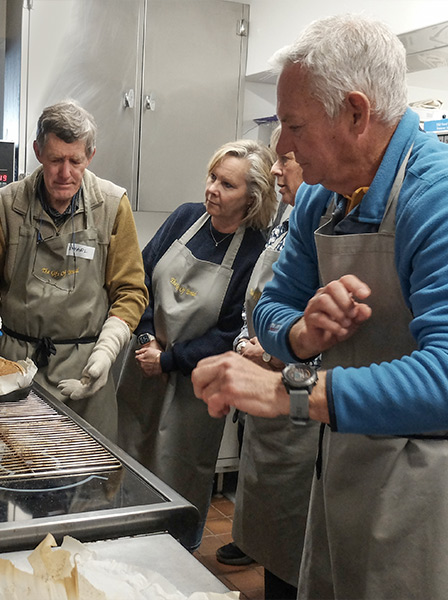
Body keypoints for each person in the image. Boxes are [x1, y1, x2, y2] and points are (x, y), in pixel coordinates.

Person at [192, 14, 448, 600]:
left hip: (424, 490)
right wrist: (301, 337)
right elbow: (271, 308)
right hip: (339, 465)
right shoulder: (323, 201)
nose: (281, 147)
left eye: (292, 125)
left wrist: (293, 393)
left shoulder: (433, 198)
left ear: (356, 114)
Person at [116, 138, 277, 550]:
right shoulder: (186, 218)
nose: (212, 189)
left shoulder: (254, 251)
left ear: (252, 198)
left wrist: (170, 359)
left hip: (196, 382)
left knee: (179, 468)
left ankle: (173, 556)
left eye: (227, 185)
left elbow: (230, 331)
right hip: (143, 361)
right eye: (212, 177)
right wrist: (148, 336)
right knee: (129, 456)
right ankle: (120, 546)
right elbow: (141, 276)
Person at [0, 99, 149, 441]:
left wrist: (107, 350)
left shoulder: (112, 205)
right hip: (14, 371)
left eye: (75, 161)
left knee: (87, 482)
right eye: (55, 160)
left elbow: (131, 291)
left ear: (90, 155)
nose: (65, 173)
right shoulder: (7, 204)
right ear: (37, 152)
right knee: (14, 471)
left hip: (86, 369)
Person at [215, 126, 320, 600]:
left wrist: (281, 356)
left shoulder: (328, 225)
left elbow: (330, 338)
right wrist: (244, 345)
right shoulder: (288, 222)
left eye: (288, 157)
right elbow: (257, 304)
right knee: (265, 515)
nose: (276, 168)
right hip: (264, 390)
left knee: (294, 528)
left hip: (299, 394)